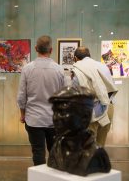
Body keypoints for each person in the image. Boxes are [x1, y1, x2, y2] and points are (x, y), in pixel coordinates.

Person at [17, 35, 65, 166]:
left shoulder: (27, 69)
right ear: (51, 50)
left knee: (38, 152)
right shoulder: (59, 69)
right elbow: (64, 96)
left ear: (36, 48)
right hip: (53, 119)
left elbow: (22, 96)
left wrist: (22, 114)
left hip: (34, 119)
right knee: (55, 152)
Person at [72, 46, 118, 147]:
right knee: (101, 145)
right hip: (108, 106)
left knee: (88, 146)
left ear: (75, 58)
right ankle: (100, 162)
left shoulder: (77, 70)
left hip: (90, 111)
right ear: (89, 56)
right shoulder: (103, 66)